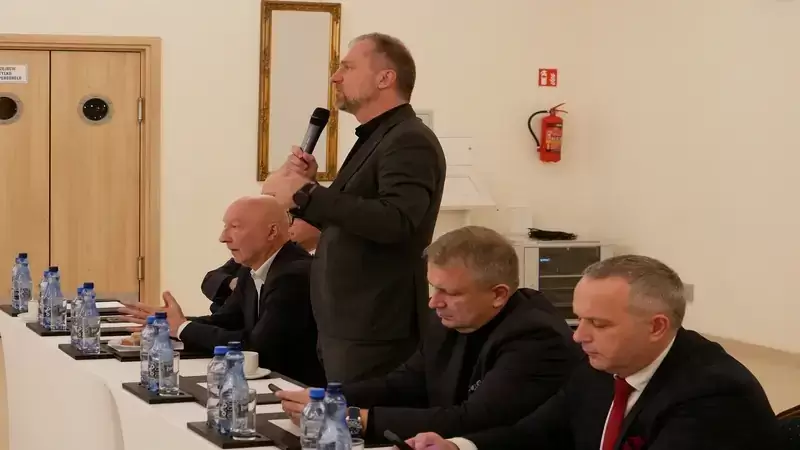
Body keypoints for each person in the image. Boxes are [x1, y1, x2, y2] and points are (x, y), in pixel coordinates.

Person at [405, 255, 780, 450]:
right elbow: (536, 434)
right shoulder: (599, 368)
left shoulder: (714, 395)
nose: (578, 337)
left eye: (599, 324)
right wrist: (458, 446)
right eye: (579, 319)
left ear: (656, 326)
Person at [276, 226, 583, 443]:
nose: (434, 302)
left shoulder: (536, 338)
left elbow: (472, 420)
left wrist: (355, 419)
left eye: (450, 292)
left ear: (498, 294)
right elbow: (405, 383)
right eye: (434, 288)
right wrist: (329, 398)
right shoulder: (450, 319)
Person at [260, 32, 447, 382]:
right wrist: (309, 189)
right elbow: (353, 218)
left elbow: (396, 221)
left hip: (376, 330)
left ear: (385, 78)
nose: (335, 77)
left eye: (347, 67)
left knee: (356, 417)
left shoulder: (408, 139)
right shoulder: (379, 137)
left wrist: (305, 193)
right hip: (347, 326)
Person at [120, 196, 325, 386]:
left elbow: (257, 348)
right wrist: (169, 323)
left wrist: (182, 328)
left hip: (295, 388)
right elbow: (226, 320)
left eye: (234, 227)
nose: (223, 237)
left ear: (272, 232)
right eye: (225, 227)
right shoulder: (250, 268)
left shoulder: (294, 275)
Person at [201, 217, 320, 313]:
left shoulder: (318, 262)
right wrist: (233, 283)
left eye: (294, 218)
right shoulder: (259, 254)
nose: (288, 224)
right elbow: (211, 279)